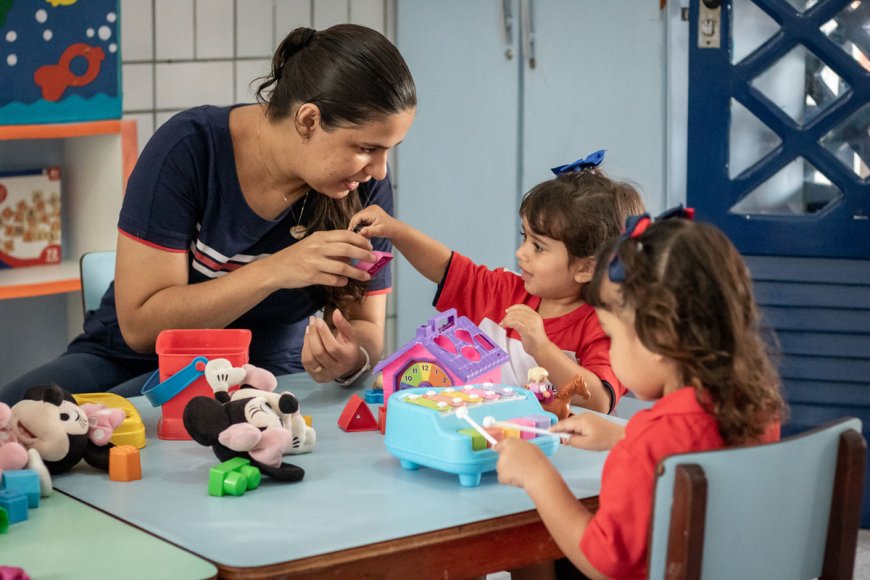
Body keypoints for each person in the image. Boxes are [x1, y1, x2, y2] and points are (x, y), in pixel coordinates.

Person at [0, 24, 417, 405]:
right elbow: (142, 328)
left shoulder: (361, 186)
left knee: (126, 429)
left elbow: (366, 327)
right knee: (18, 412)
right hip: (125, 356)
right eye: (366, 148)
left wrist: (350, 356)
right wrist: (276, 270)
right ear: (308, 120)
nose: (379, 170)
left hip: (262, 373)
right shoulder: (189, 150)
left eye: (386, 151)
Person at [494, 211, 786, 579]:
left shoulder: (650, 443)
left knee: (543, 553)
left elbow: (604, 563)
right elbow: (695, 449)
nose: (611, 354)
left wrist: (537, 475)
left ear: (659, 338)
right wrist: (621, 435)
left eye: (613, 337)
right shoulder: (754, 404)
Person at [350, 151, 644, 413]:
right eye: (524, 237)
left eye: (538, 247)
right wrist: (395, 230)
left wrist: (541, 347)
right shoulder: (507, 290)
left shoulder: (605, 326)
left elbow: (599, 401)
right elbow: (446, 267)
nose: (521, 253)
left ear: (584, 268)